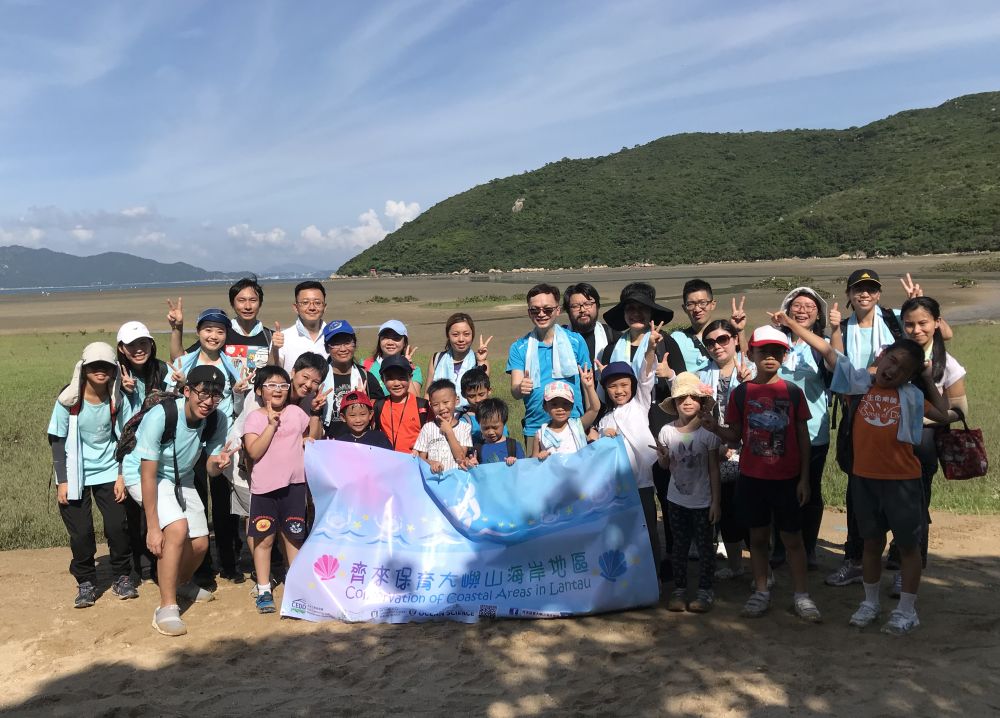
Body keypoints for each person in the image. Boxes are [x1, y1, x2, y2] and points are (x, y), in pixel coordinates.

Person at [772, 309, 951, 635]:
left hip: (902, 482)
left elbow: (943, 414)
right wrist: (792, 324)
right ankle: (870, 603)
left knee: (908, 547)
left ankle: (907, 610)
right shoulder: (859, 383)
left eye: (902, 368)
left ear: (909, 376)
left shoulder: (911, 396)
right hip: (864, 479)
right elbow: (828, 351)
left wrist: (925, 378)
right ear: (881, 358)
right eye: (891, 360)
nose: (892, 369)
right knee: (870, 542)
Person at [700, 326, 821, 623]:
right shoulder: (743, 393)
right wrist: (715, 428)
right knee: (757, 538)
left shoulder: (792, 392)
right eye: (763, 351)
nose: (770, 356)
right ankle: (762, 591)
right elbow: (736, 435)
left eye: (777, 351)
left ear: (784, 355)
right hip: (752, 478)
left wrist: (804, 478)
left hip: (788, 478)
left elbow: (803, 437)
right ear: (751, 353)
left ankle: (801, 595)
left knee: (793, 539)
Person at [124, 365, 233, 637]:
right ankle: (166, 607)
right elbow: (147, 474)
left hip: (179, 477)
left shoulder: (217, 420)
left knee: (199, 543)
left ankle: (180, 582)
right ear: (187, 391)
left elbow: (208, 467)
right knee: (176, 530)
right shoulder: (162, 416)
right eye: (202, 393)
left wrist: (218, 464)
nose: (208, 401)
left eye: (215, 395)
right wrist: (152, 527)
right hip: (144, 474)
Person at [48, 342, 137, 608]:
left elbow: (126, 438)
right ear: (83, 368)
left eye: (106, 366)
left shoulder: (117, 399)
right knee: (81, 532)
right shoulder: (68, 401)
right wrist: (62, 480)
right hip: (75, 473)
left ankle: (122, 575)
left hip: (109, 470)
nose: (101, 371)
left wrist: (122, 475)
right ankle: (86, 581)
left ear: (114, 370)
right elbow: (57, 440)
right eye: (94, 366)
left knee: (117, 527)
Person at [891, 296, 968, 592]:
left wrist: (920, 421)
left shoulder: (947, 363)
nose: (916, 330)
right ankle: (895, 553)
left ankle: (909, 567)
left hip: (922, 446)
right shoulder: (890, 355)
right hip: (889, 446)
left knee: (916, 506)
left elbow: (959, 410)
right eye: (909, 324)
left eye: (923, 323)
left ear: (937, 323)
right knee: (890, 502)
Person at [167, 307, 246, 584]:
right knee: (196, 500)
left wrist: (237, 393)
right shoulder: (184, 363)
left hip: (221, 438)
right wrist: (178, 387)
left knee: (224, 504)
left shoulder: (233, 366)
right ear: (198, 332)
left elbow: (240, 408)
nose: (213, 336)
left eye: (220, 331)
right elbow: (171, 399)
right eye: (208, 330)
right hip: (189, 440)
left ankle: (229, 563)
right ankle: (201, 567)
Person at [591, 321, 665, 576]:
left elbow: (646, 376)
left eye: (624, 385)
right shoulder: (605, 419)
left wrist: (650, 350)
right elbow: (598, 443)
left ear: (632, 386)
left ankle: (653, 575)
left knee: (648, 530)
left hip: (643, 482)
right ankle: (632, 577)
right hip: (617, 486)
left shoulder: (640, 403)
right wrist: (600, 433)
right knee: (624, 533)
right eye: (612, 386)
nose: (619, 390)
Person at [241, 366, 314, 613]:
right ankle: (263, 590)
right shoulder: (254, 418)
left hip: (294, 486)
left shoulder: (295, 412)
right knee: (264, 540)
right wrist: (271, 425)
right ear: (259, 390)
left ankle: (297, 589)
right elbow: (253, 451)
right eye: (271, 385)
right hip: (264, 489)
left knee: (294, 537)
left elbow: (307, 435)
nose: (278, 390)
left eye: (283, 385)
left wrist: (307, 440)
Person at [771, 287, 833, 571]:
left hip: (813, 429)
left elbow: (835, 364)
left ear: (818, 313)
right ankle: (780, 546)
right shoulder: (777, 343)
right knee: (778, 489)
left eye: (809, 306)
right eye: (797, 306)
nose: (803, 310)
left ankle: (808, 547)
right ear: (786, 309)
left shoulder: (824, 344)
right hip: (776, 429)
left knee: (811, 490)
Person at [654, 372, 722, 613]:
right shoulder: (666, 432)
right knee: (679, 548)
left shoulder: (708, 433)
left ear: (702, 402)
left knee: (705, 548)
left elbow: (714, 469)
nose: (688, 401)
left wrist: (716, 502)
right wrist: (662, 459)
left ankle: (705, 590)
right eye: (682, 398)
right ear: (674, 404)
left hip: (703, 501)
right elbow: (665, 466)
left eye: (694, 397)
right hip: (676, 500)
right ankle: (679, 589)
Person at [696, 319, 753, 581]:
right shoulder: (701, 375)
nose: (716, 346)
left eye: (722, 339)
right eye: (710, 342)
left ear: (735, 340)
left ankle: (761, 571)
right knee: (726, 512)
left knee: (751, 514)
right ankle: (735, 566)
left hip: (749, 452)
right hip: (717, 451)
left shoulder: (751, 370)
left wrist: (747, 385)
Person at [507, 284, 591, 455]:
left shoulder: (576, 341)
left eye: (547, 309)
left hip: (573, 425)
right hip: (536, 428)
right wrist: (520, 387)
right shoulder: (519, 347)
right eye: (535, 310)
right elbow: (515, 391)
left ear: (558, 310)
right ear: (529, 312)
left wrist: (591, 424)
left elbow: (587, 385)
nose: (541, 314)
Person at [115, 320, 169, 582]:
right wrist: (122, 392)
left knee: (157, 506)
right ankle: (144, 567)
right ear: (122, 349)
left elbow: (173, 401)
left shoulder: (161, 370)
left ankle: (161, 564)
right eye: (131, 344)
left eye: (143, 343)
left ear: (151, 344)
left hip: (159, 449)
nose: (138, 349)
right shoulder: (113, 375)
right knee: (133, 514)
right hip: (127, 452)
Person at [167, 276, 275, 377]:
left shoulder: (270, 337)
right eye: (241, 300)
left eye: (253, 300)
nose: (247, 306)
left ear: (260, 303)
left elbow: (277, 372)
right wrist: (177, 328)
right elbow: (179, 359)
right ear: (232, 303)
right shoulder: (221, 334)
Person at [600, 282, 684, 402]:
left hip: (661, 416)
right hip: (624, 417)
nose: (636, 313)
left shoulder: (664, 343)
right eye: (630, 308)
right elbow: (604, 398)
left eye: (642, 308)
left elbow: (686, 385)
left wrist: (670, 374)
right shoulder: (612, 350)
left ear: (651, 312)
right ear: (623, 313)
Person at [322, 320, 385, 438]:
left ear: (354, 345)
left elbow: (381, 411)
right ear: (326, 348)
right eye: (335, 343)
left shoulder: (366, 377)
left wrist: (368, 402)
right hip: (327, 445)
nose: (342, 349)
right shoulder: (320, 377)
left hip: (359, 445)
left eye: (347, 342)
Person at [427, 313, 491, 408]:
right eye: (455, 335)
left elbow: (481, 392)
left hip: (470, 417)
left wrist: (481, 361)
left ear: (472, 335)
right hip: (441, 416)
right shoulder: (437, 359)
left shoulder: (480, 362)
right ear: (448, 335)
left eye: (466, 334)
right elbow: (428, 395)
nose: (461, 339)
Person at [373, 355, 430, 453]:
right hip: (387, 462)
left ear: (410, 377)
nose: (396, 383)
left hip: (414, 462)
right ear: (383, 379)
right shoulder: (378, 405)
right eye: (390, 378)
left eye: (402, 377)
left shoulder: (423, 406)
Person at [414, 379, 473, 473]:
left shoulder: (465, 427)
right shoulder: (427, 428)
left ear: (456, 400)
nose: (441, 408)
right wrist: (431, 462)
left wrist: (449, 432)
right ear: (430, 405)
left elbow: (461, 458)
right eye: (436, 404)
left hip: (456, 480)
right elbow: (420, 459)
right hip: (434, 482)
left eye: (446, 402)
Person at [273, 281, 331, 375]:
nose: (312, 307)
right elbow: (272, 371)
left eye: (317, 303)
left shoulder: (334, 335)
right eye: (305, 302)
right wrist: (274, 350)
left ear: (324, 307)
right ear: (296, 307)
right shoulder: (283, 337)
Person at [535, 374, 599, 459]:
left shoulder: (577, 425)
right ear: (545, 407)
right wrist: (540, 456)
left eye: (565, 403)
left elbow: (595, 408)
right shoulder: (541, 434)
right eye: (554, 404)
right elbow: (533, 464)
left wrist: (589, 387)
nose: (560, 408)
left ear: (572, 406)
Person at [364, 320, 423, 396]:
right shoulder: (365, 365)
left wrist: (406, 367)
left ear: (404, 342)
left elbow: (414, 401)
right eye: (385, 337)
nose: (390, 342)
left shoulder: (414, 370)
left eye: (396, 338)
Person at [563, 282, 618, 364]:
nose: (582, 310)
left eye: (588, 304)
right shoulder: (560, 337)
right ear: (568, 310)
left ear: (598, 306)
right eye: (575, 306)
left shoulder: (612, 336)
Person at [457, 367, 503, 444]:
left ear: (489, 391)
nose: (477, 400)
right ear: (463, 395)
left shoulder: (498, 414)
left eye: (481, 394)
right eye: (472, 396)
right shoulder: (465, 421)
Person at [473, 398, 524, 465]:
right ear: (479, 424)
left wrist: (515, 462)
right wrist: (473, 465)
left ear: (504, 423)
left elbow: (523, 468)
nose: (491, 432)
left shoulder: (513, 446)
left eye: (495, 427)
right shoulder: (478, 448)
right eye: (486, 428)